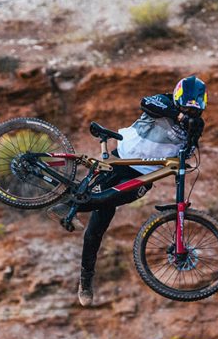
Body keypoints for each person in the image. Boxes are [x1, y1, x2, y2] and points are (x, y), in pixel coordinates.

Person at [51, 75, 207, 306]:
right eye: (185, 107)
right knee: (97, 224)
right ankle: (85, 280)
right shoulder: (164, 101)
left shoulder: (197, 124)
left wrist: (191, 135)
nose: (189, 113)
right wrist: (178, 115)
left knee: (105, 203)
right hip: (121, 160)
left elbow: (187, 149)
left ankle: (66, 207)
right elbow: (146, 103)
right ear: (177, 98)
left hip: (144, 175)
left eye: (194, 111)